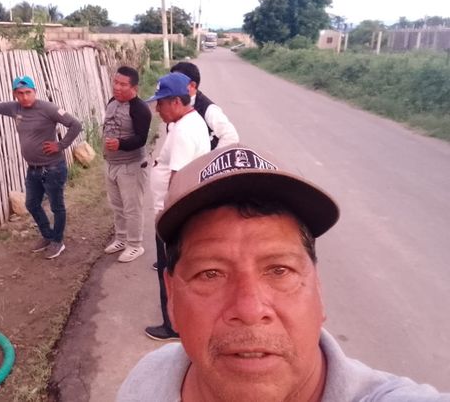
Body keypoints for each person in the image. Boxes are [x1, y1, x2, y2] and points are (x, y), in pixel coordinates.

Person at [118, 144, 450, 402]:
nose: (250, 310)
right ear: (172, 297)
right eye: (210, 273)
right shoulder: (148, 379)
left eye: (279, 270)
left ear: (318, 288)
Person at [0, 76, 82, 259]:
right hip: (33, 169)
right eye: (20, 93)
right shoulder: (15, 108)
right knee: (31, 204)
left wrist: (60, 145)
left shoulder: (48, 108)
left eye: (28, 92)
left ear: (34, 92)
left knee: (56, 207)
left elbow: (75, 124)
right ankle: (47, 236)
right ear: (15, 94)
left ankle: (57, 241)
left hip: (53, 168)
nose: (25, 97)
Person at [144, 72, 210, 341]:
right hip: (186, 211)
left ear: (175, 102)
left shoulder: (183, 131)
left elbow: (177, 179)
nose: (157, 109)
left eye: (160, 103)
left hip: (172, 214)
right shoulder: (191, 121)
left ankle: (172, 325)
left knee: (168, 271)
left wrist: (167, 219)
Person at [102, 66, 152, 263]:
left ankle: (135, 245)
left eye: (123, 84)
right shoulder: (112, 102)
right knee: (117, 205)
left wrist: (120, 144)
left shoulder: (140, 109)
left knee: (132, 208)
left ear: (134, 88)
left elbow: (141, 139)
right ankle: (121, 239)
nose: (117, 87)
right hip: (111, 163)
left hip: (131, 166)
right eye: (115, 82)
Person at [170, 61, 238, 149]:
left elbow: (231, 136)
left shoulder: (209, 109)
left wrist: (211, 157)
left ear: (192, 85)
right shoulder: (171, 103)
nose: (170, 86)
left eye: (176, 82)